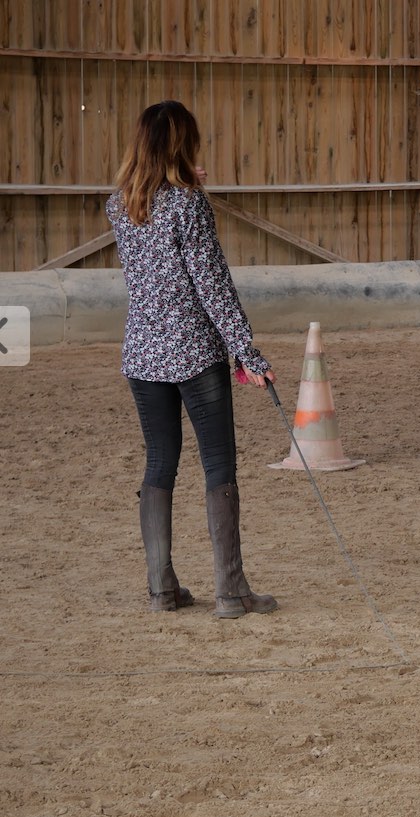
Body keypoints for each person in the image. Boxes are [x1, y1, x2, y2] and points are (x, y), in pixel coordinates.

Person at [107, 100, 278, 618]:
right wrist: (246, 351)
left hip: (141, 352)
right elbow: (213, 286)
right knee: (218, 465)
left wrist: (186, 184)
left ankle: (161, 588)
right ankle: (231, 591)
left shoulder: (118, 203)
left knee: (160, 463)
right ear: (184, 145)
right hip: (195, 354)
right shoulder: (190, 205)